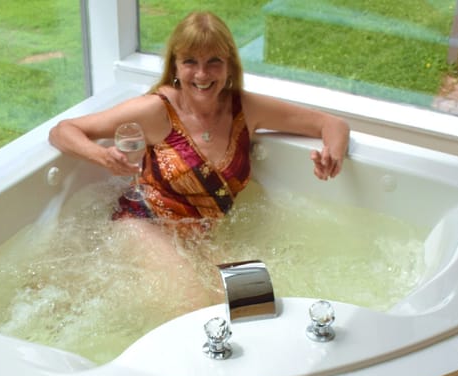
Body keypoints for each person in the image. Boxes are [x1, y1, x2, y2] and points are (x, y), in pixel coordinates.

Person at [48, 10, 350, 224]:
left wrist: (331, 158)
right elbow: (63, 131)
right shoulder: (156, 110)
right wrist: (102, 157)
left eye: (214, 62)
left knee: (251, 301)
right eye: (190, 62)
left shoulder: (245, 109)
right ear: (176, 67)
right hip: (146, 223)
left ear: (229, 66)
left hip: (203, 233)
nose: (202, 74)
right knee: (199, 306)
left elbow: (332, 124)